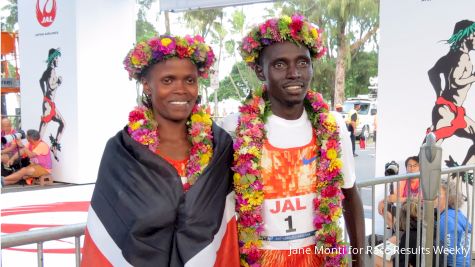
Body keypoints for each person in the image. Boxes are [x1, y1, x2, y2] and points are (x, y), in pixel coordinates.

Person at [81, 35, 239, 267]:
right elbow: (107, 224)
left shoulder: (219, 146)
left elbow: (225, 218)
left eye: (189, 80)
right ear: (146, 84)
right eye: (168, 81)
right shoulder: (122, 150)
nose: (181, 90)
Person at [233, 14, 365, 266]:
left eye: (303, 63)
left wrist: (360, 261)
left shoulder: (332, 125)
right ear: (261, 71)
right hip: (260, 258)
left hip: (321, 257)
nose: (294, 73)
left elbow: (350, 195)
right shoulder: (237, 128)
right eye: (280, 65)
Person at [427, 20, 475, 166]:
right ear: (467, 36)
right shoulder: (463, 56)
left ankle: (460, 172)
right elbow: (455, 81)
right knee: (431, 146)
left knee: (432, 144)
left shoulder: (450, 56)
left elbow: (432, 72)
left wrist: (438, 93)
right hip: (447, 110)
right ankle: (420, 176)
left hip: (454, 110)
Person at [378, 156, 421, 229]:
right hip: (404, 210)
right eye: (409, 166)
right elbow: (394, 197)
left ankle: (399, 233)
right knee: (384, 207)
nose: (412, 168)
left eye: (415, 166)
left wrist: (399, 199)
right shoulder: (404, 180)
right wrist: (382, 201)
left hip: (418, 210)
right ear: (406, 168)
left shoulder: (423, 180)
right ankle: (397, 231)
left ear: (420, 168)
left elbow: (419, 199)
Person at [437, 178, 472, 266]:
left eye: (438, 194)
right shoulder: (458, 214)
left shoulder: (446, 219)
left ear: (449, 197)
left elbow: (448, 251)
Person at [39, 48, 65, 161]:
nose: (58, 60)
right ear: (54, 58)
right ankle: (34, 155)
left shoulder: (48, 71)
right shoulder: (51, 71)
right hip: (48, 105)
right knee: (41, 133)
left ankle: (54, 147)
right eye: (57, 58)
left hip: (50, 104)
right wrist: (58, 82)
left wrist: (44, 94)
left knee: (63, 123)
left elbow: (41, 80)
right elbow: (51, 86)